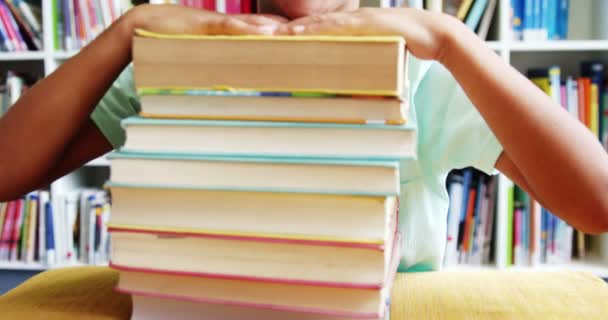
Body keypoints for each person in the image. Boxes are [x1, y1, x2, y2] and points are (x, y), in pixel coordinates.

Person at [0, 0, 606, 272]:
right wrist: (125, 31)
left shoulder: (423, 73)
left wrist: (451, 39)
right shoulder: (173, 65)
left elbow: (596, 203)